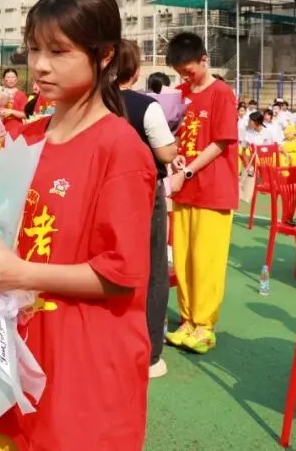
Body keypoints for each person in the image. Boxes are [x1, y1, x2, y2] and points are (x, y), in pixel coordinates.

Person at [0, 0, 157, 451]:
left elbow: (121, 275)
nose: (39, 65)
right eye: (34, 49)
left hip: (81, 358)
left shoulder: (119, 149)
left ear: (103, 56)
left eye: (59, 51)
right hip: (13, 348)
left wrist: (19, 273)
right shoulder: (28, 134)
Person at [163, 32, 239, 355]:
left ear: (204, 61)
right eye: (180, 71)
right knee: (182, 258)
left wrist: (188, 169)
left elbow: (221, 142)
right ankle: (187, 321)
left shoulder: (222, 93)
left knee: (205, 260)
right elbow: (173, 134)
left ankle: (204, 325)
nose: (184, 76)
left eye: (189, 70)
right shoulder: (179, 93)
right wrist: (176, 155)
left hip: (213, 188)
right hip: (184, 188)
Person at [114, 40, 177, 379]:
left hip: (104, 191)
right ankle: (150, 352)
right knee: (153, 267)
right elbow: (166, 154)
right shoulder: (146, 106)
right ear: (136, 71)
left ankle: (111, 341)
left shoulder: (95, 102)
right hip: (142, 192)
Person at [0, 67, 28, 138]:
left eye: (13, 77)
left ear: (16, 79)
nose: (11, 79)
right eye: (8, 77)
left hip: (16, 129)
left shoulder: (21, 95)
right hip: (1, 128)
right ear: (3, 80)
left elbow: (25, 115)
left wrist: (11, 111)